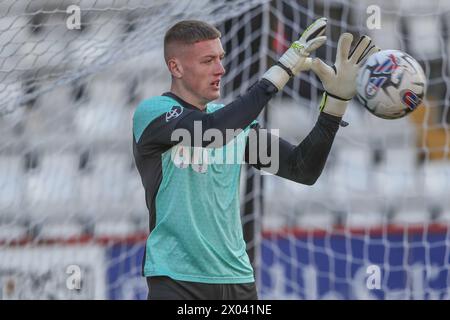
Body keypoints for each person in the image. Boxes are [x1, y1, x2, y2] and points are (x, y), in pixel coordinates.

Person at [132, 18, 379, 300]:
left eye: (221, 58)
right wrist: (282, 69)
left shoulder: (234, 127)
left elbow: (302, 170)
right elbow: (211, 131)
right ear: (175, 67)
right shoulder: (153, 113)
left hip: (239, 282)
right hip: (177, 281)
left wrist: (335, 105)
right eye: (208, 61)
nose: (220, 69)